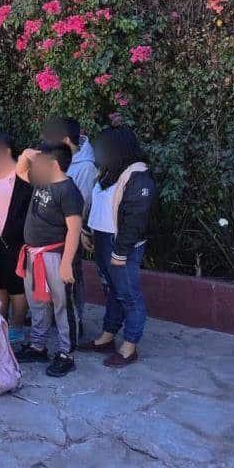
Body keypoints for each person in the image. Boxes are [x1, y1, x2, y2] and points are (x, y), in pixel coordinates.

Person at [79, 126, 156, 368]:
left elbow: (136, 219)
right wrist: (86, 231)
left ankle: (129, 346)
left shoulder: (138, 176)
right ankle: (107, 336)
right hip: (102, 240)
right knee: (111, 291)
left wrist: (121, 252)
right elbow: (96, 205)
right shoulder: (107, 172)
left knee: (128, 295)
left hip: (122, 245)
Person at [14, 144, 84, 378]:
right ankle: (38, 346)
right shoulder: (41, 180)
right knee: (37, 302)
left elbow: (74, 229)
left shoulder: (68, 190)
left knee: (62, 305)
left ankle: (66, 354)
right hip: (34, 255)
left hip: (55, 257)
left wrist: (66, 263)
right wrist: (26, 154)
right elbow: (20, 171)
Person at [42, 117, 97, 338]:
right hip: (49, 229)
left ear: (64, 139)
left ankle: (74, 325)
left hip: (68, 231)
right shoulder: (56, 158)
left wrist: (80, 230)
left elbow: (81, 204)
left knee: (70, 279)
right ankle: (54, 318)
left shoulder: (85, 168)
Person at [0, 133, 33, 343]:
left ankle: (18, 327)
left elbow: (32, 154)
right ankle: (0, 323)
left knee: (17, 288)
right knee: (0, 286)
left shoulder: (22, 174)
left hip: (16, 242)